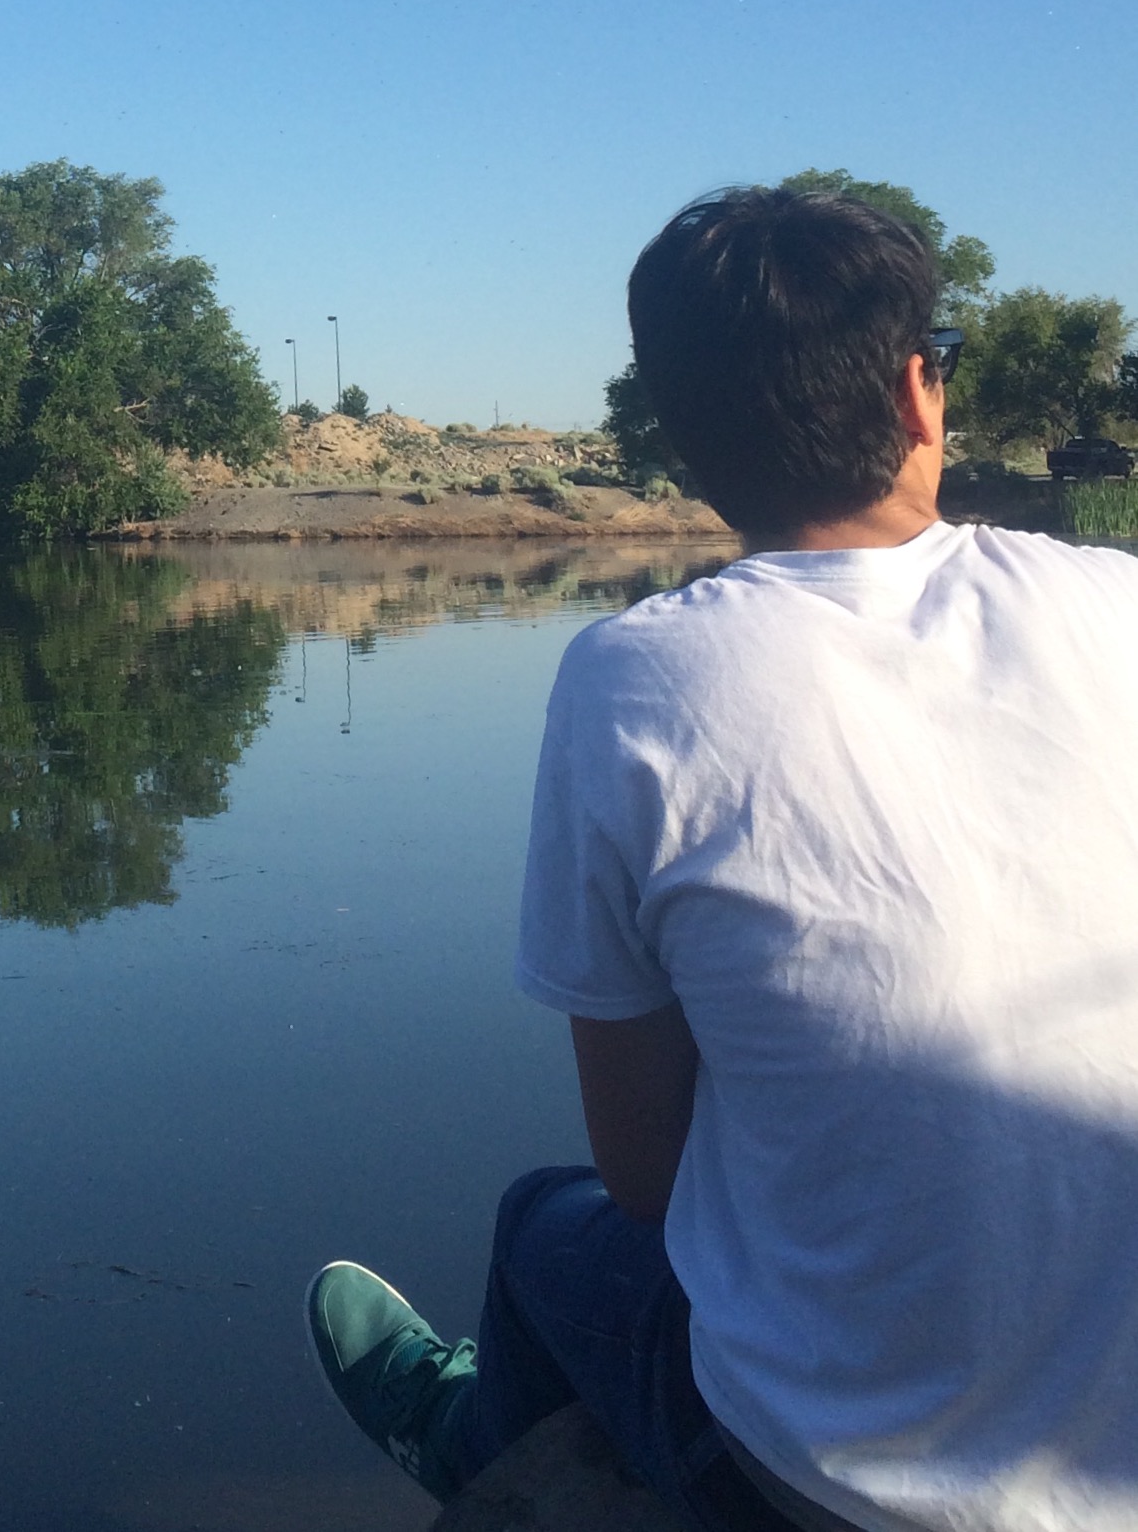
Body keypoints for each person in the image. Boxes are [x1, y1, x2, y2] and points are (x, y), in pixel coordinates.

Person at [306, 185, 1138, 1532]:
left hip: (850, 1488)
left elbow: (645, 1176)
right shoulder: (1119, 602)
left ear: (683, 444)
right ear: (918, 395)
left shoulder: (635, 678)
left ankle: (468, 1443)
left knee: (542, 1225)